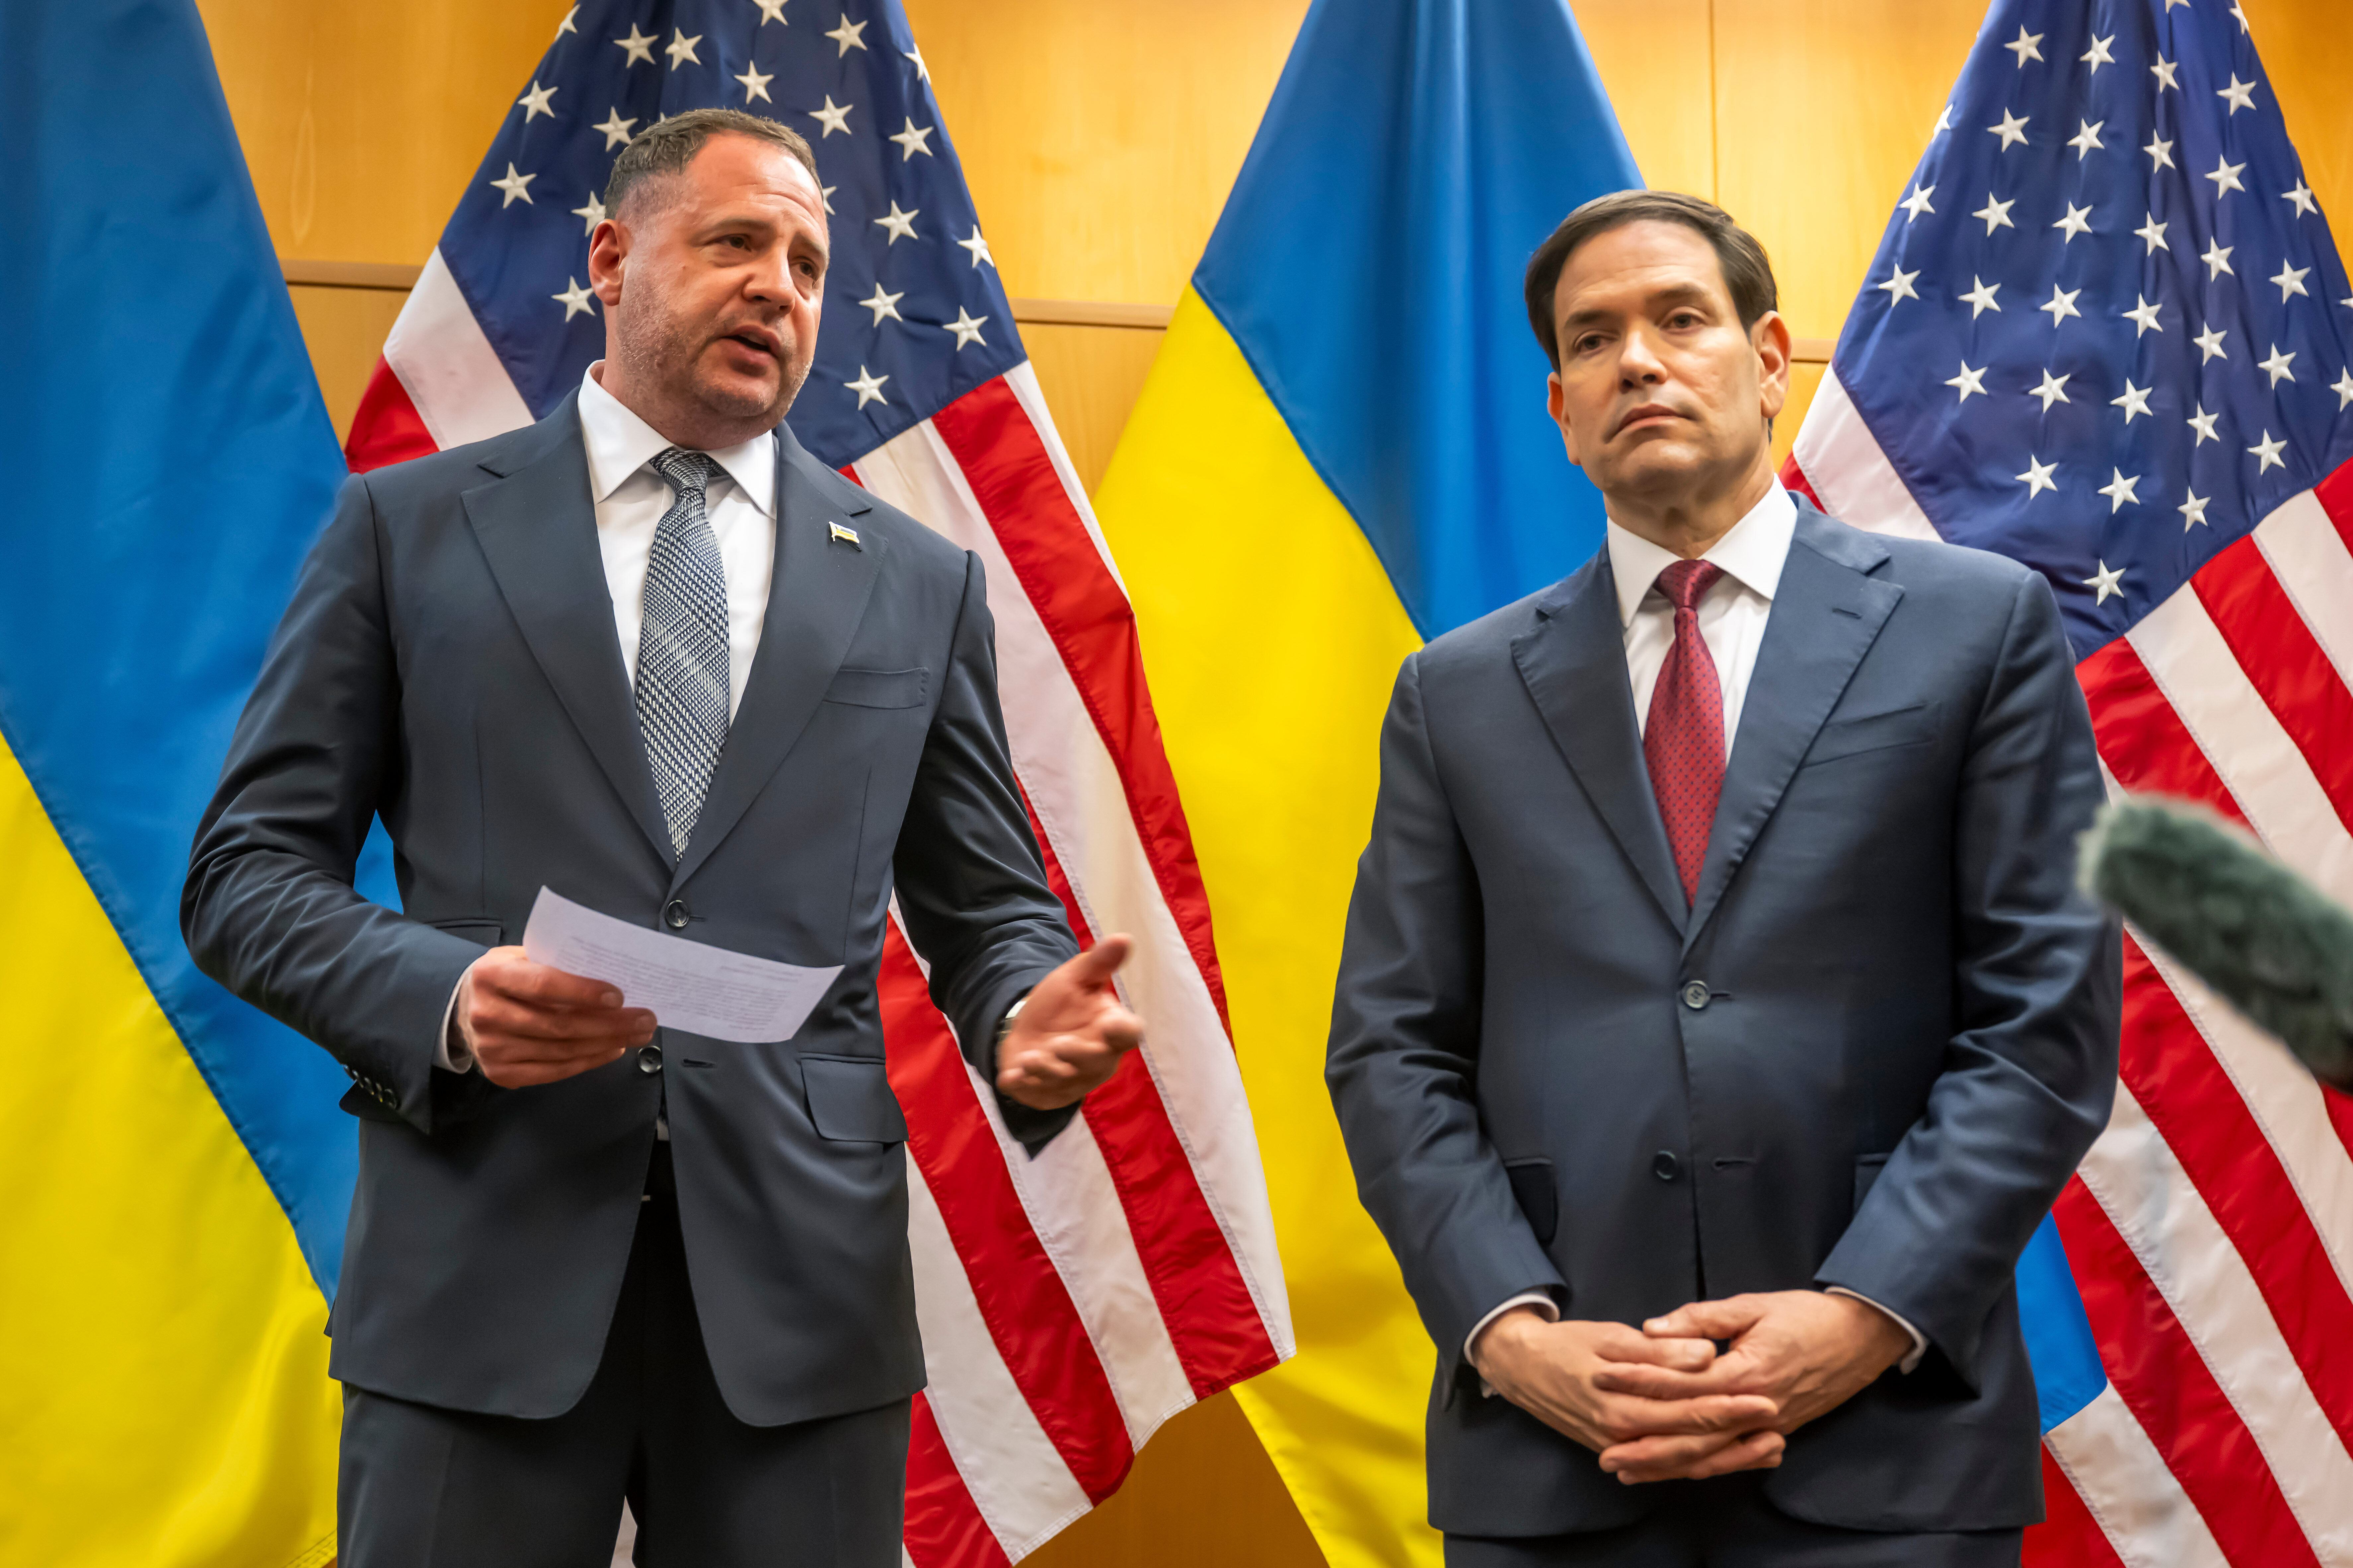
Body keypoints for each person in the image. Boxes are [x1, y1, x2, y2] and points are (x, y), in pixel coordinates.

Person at [183, 108, 1142, 1568]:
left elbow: (989, 907)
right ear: (613, 258)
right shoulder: (407, 531)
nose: (779, 287)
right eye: (737, 241)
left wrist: (1022, 1013)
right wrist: (444, 997)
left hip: (802, 1306)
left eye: (810, 265)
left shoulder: (915, 583)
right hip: (478, 1275)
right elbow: (245, 874)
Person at [1324, 190, 2119, 1566]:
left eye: (1679, 320)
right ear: (1560, 409)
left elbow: (2042, 1021)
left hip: (1891, 1446)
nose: (1636, 360)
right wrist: (1509, 1334)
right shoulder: (1453, 694)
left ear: (1766, 363)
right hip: (1558, 1452)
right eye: (1592, 340)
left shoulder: (1977, 627)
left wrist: (1863, 1313)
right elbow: (1390, 1049)